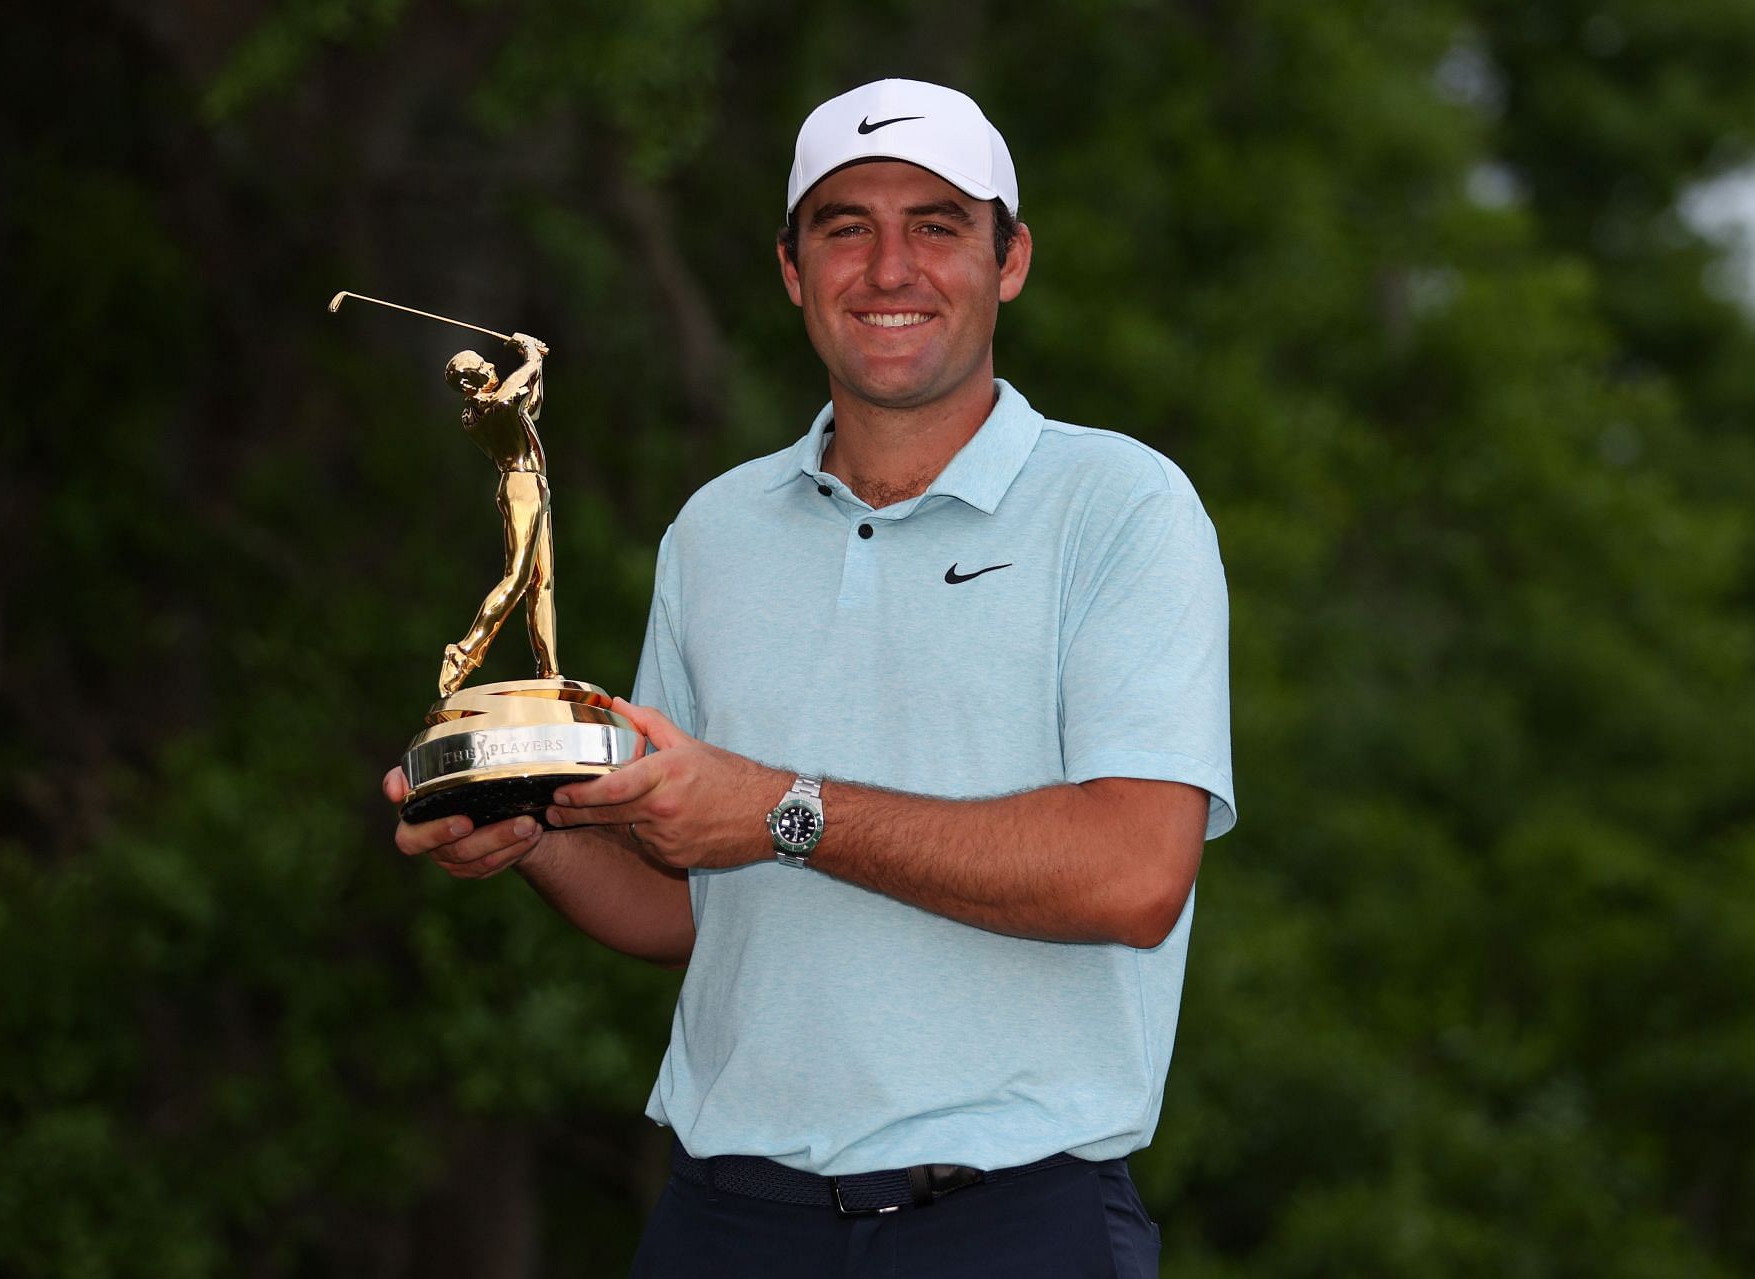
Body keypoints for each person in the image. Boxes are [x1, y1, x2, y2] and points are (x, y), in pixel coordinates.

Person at [385, 78, 1235, 1277]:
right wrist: (538, 840)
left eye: (936, 225)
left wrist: (785, 810)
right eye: (847, 227)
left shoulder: (1123, 507)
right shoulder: (715, 531)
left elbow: (1136, 871)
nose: (890, 268)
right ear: (793, 268)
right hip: (726, 1219)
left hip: (1010, 1222)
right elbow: (696, 904)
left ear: (1012, 260)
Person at [436, 333, 559, 696]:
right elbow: (513, 392)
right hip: (521, 487)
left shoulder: (491, 405)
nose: (490, 366)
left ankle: (549, 670)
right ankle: (464, 652)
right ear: (467, 383)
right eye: (481, 367)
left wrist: (537, 362)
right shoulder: (486, 410)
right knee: (518, 578)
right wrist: (532, 355)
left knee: (543, 583)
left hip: (535, 486)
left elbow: (531, 402)